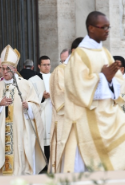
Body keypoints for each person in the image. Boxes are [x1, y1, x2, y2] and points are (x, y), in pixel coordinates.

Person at [58, 11, 125, 173]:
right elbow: (76, 88)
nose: (107, 30)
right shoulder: (79, 56)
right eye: (103, 27)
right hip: (88, 118)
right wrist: (102, 78)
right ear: (91, 28)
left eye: (109, 27)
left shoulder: (105, 53)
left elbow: (118, 82)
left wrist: (109, 80)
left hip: (110, 113)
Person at [0, 44, 46, 176]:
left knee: (21, 162)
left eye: (8, 69)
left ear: (15, 69)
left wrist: (29, 106)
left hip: (20, 131)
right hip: (3, 134)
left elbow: (37, 106)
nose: (5, 71)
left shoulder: (25, 85)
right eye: (3, 68)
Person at [49, 37, 83, 173]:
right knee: (70, 159)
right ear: (75, 51)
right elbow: (59, 95)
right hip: (67, 122)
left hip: (85, 123)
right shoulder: (61, 71)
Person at [28, 56, 52, 172]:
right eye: (44, 65)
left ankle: (52, 167)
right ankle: (42, 167)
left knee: (52, 142)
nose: (47, 67)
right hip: (41, 115)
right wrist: (42, 97)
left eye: (48, 64)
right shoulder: (32, 80)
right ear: (39, 66)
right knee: (42, 142)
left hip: (52, 114)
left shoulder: (54, 78)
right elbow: (30, 98)